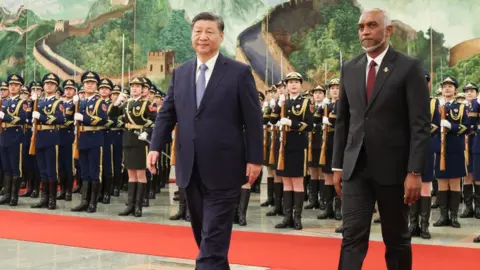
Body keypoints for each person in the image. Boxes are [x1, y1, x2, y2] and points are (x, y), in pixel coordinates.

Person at [147, 12, 262, 270]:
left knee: (212, 239)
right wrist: (155, 146)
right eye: (198, 31)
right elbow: (167, 113)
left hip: (225, 166)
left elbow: (253, 119)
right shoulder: (181, 73)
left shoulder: (238, 72)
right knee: (205, 236)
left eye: (209, 31)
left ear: (221, 36)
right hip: (189, 167)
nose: (203, 36)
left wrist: (255, 158)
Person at [331, 9, 430, 270]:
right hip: (355, 169)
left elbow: (420, 124)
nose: (365, 31)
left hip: (394, 171)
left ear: (388, 31)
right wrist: (338, 166)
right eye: (361, 27)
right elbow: (343, 121)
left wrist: (415, 171)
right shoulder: (350, 68)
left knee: (396, 239)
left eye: (372, 25)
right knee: (351, 237)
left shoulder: (409, 67)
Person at [270, 72, 313, 230]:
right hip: (284, 147)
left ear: (300, 85)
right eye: (290, 82)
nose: (293, 85)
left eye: (296, 82)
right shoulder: (283, 102)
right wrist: (277, 104)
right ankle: (287, 217)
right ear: (286, 86)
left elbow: (309, 125)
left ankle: (297, 218)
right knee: (286, 182)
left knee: (297, 181)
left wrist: (292, 123)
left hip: (297, 146)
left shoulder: (305, 102)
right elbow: (272, 119)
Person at [109, 77, 156, 217]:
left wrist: (147, 133)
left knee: (140, 173)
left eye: (138, 86)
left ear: (143, 89)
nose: (134, 88)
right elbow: (112, 115)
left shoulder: (147, 104)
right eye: (133, 86)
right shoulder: (127, 104)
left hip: (140, 141)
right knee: (131, 174)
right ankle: (130, 205)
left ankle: (138, 206)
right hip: (128, 139)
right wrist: (116, 103)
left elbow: (156, 121)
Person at [432, 77, 470, 229]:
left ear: (455, 90)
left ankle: (453, 216)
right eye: (445, 86)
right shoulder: (435, 106)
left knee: (454, 182)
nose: (447, 88)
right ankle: (443, 216)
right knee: (441, 182)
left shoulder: (460, 107)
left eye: (450, 86)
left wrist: (451, 127)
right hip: (439, 149)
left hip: (455, 148)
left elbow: (467, 127)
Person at [71, 71, 108, 213]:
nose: (90, 85)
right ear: (83, 85)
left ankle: (93, 202)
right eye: (87, 83)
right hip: (82, 138)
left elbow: (103, 119)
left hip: (94, 138)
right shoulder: (79, 102)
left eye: (92, 83)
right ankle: (84, 201)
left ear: (96, 86)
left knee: (94, 171)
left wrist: (84, 118)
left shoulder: (100, 102)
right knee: (84, 171)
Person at [408, 70, 439, 239]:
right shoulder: (407, 101)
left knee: (426, 186)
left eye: (425, 81)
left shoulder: (434, 103)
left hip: (426, 146)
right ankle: (413, 224)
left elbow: (437, 125)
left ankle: (424, 225)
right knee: (411, 186)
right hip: (410, 147)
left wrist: (419, 130)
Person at [30, 73, 65, 210]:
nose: (48, 86)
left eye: (51, 84)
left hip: (51, 137)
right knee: (42, 169)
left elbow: (61, 119)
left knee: (51, 170)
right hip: (39, 137)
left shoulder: (58, 102)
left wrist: (42, 117)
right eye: (46, 84)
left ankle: (52, 200)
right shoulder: (39, 101)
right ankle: (44, 198)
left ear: (56, 87)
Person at [0, 74, 28, 206]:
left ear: (20, 87)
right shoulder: (4, 101)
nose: (12, 87)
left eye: (16, 85)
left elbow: (22, 119)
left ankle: (14, 196)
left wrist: (5, 116)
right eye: (11, 85)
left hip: (15, 135)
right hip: (4, 135)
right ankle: (7, 194)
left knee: (15, 166)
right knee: (6, 167)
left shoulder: (22, 102)